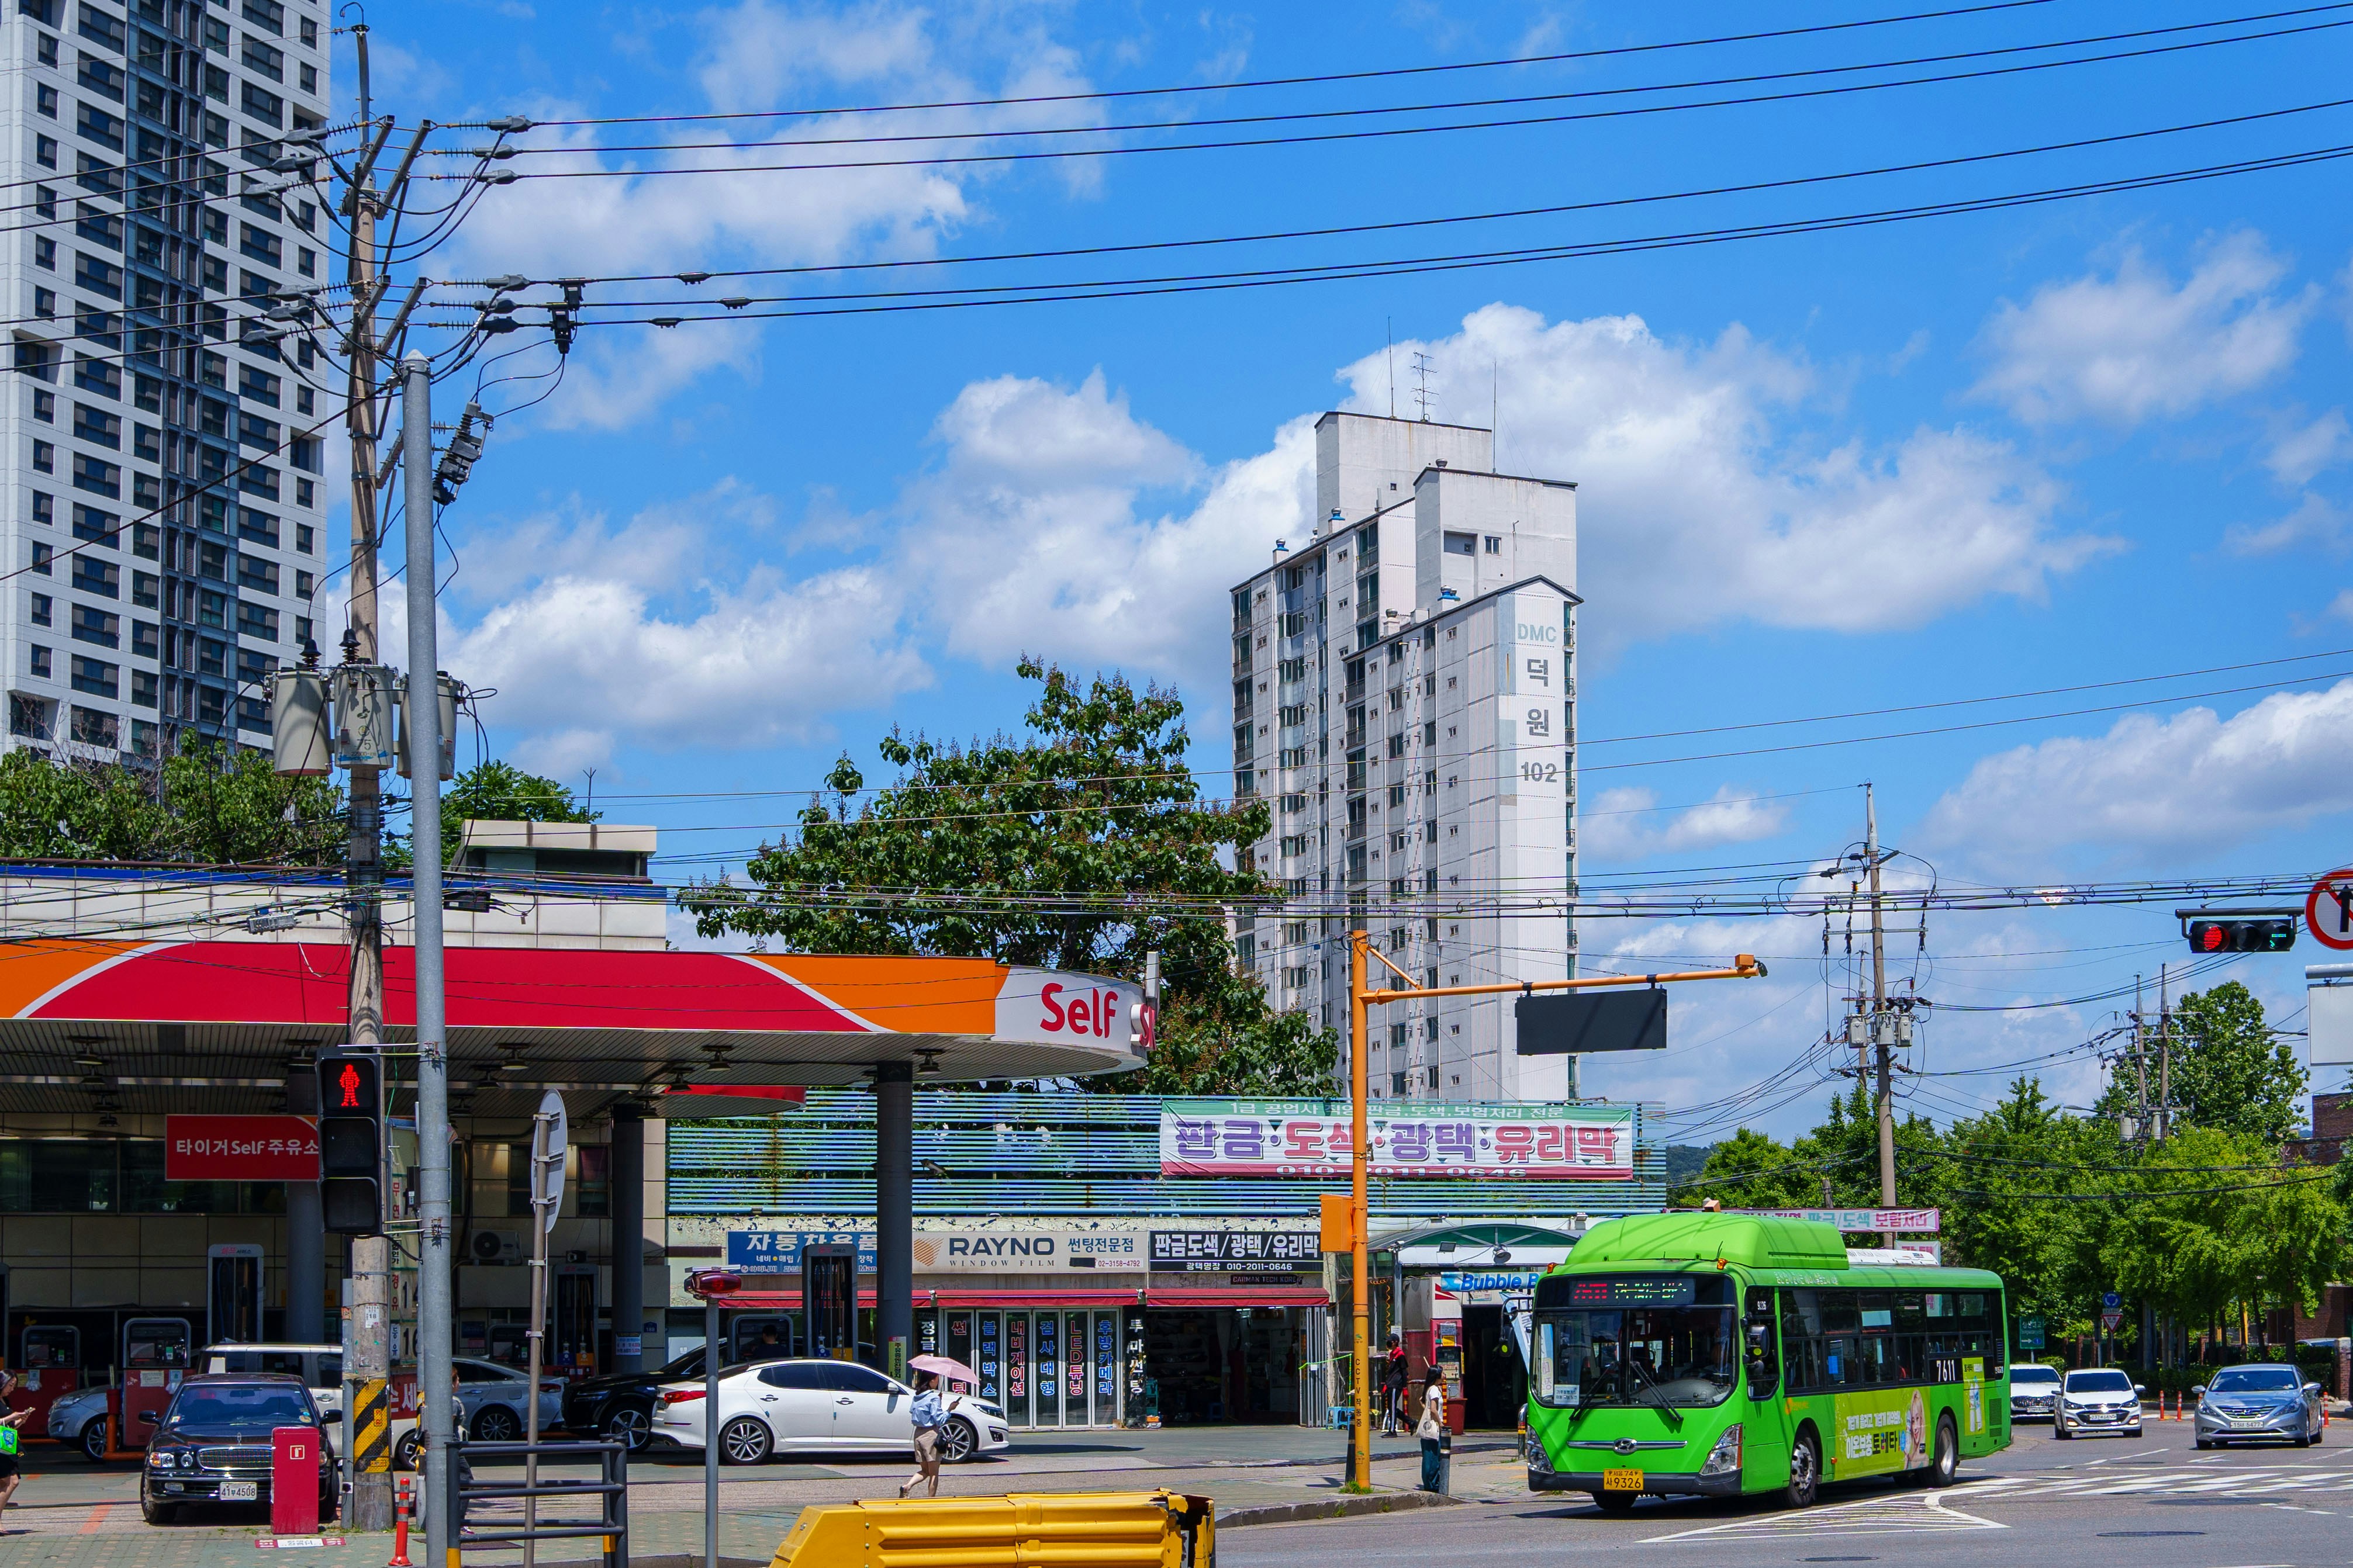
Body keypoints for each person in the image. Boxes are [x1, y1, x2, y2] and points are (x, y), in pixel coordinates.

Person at [899, 1372, 945, 1500]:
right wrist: (950, 1410)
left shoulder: (917, 1397)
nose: (938, 1382)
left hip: (918, 1434)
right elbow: (939, 1420)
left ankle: (907, 1486)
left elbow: (914, 1413)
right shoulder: (933, 1397)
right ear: (932, 1380)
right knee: (934, 1474)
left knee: (925, 1471)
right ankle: (931, 1501)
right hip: (930, 1434)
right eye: (937, 1379)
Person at [1415, 1366, 1447, 1493]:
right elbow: (1433, 1410)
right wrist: (1441, 1423)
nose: (1445, 1375)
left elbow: (1426, 1406)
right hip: (1433, 1429)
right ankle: (1432, 1484)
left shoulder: (1431, 1389)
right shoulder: (1434, 1390)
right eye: (1443, 1373)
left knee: (1429, 1456)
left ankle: (1430, 1482)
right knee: (1433, 1457)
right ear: (1437, 1376)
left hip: (1428, 1429)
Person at [0, 1373, 27, 1510]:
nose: (12, 1389)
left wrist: (20, 1421)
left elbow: (7, 1427)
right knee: (13, 1480)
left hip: (6, 1445)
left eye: (14, 1386)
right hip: (2, 1448)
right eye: (10, 1385)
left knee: (6, 1482)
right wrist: (12, 1416)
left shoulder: (5, 1400)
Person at [1381, 1334, 1408, 1437]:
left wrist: (1405, 1387)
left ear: (1396, 1342)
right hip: (1391, 1384)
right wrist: (1386, 1385)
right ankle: (1411, 1422)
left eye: (1390, 1341)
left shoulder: (1400, 1355)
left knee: (1392, 1407)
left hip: (1396, 1384)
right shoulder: (1393, 1354)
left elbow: (1404, 1371)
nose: (1388, 1343)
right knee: (1391, 1407)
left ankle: (1392, 1430)